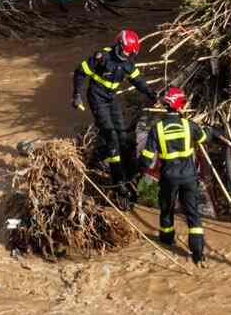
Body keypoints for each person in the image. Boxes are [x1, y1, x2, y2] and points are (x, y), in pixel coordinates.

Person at [71, 29, 159, 194]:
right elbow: (80, 72)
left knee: (123, 136)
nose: (127, 54)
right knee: (111, 137)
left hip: (112, 98)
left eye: (130, 52)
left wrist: (153, 95)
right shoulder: (102, 57)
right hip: (97, 97)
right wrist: (77, 96)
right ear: (118, 45)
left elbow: (138, 81)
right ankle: (118, 180)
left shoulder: (128, 63)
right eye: (125, 51)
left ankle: (126, 170)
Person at [140, 86, 207, 263]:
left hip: (168, 177)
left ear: (166, 105)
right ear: (180, 106)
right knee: (193, 214)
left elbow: (147, 157)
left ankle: (167, 241)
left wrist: (138, 170)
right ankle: (198, 254)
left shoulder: (157, 129)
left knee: (167, 209)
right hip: (189, 177)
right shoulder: (189, 126)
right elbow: (203, 137)